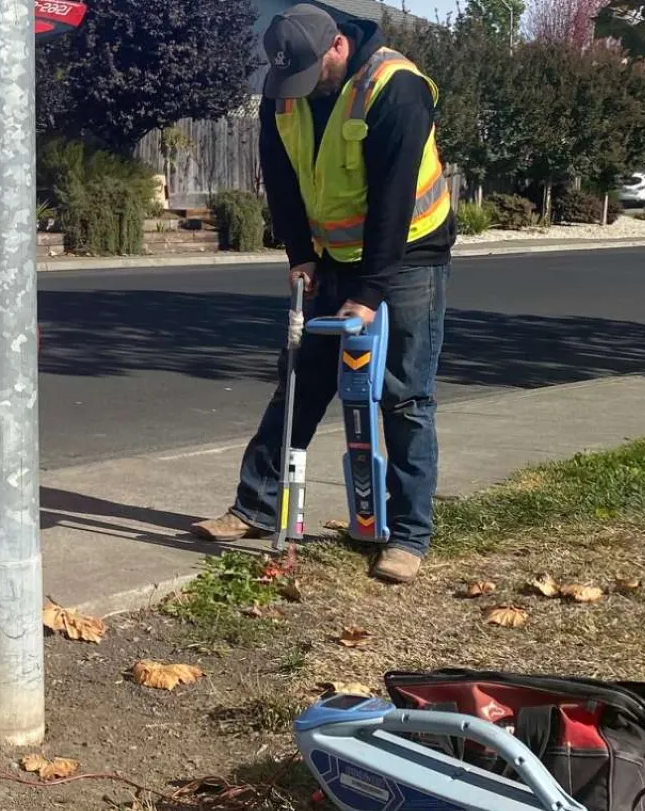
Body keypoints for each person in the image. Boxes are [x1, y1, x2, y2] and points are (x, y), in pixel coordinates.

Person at [189, 3, 454, 584]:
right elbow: (278, 173)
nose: (302, 90)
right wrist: (299, 255)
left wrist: (369, 291)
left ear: (337, 45)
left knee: (403, 395)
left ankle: (407, 535)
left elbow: (391, 198)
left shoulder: (396, 88)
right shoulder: (286, 85)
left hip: (407, 255)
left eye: (313, 74)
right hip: (330, 256)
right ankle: (255, 506)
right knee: (300, 381)